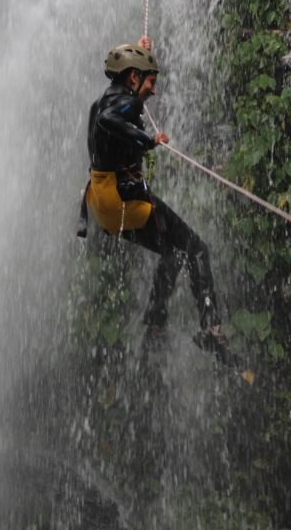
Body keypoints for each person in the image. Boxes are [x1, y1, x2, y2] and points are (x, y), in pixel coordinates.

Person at [77, 36, 235, 366]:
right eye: (150, 81)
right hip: (124, 202)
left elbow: (107, 116)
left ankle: (155, 327)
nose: (154, 90)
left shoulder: (106, 97)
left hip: (101, 205)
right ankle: (210, 328)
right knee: (197, 247)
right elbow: (111, 119)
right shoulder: (125, 105)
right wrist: (148, 140)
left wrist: (141, 51)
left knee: (173, 251)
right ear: (133, 78)